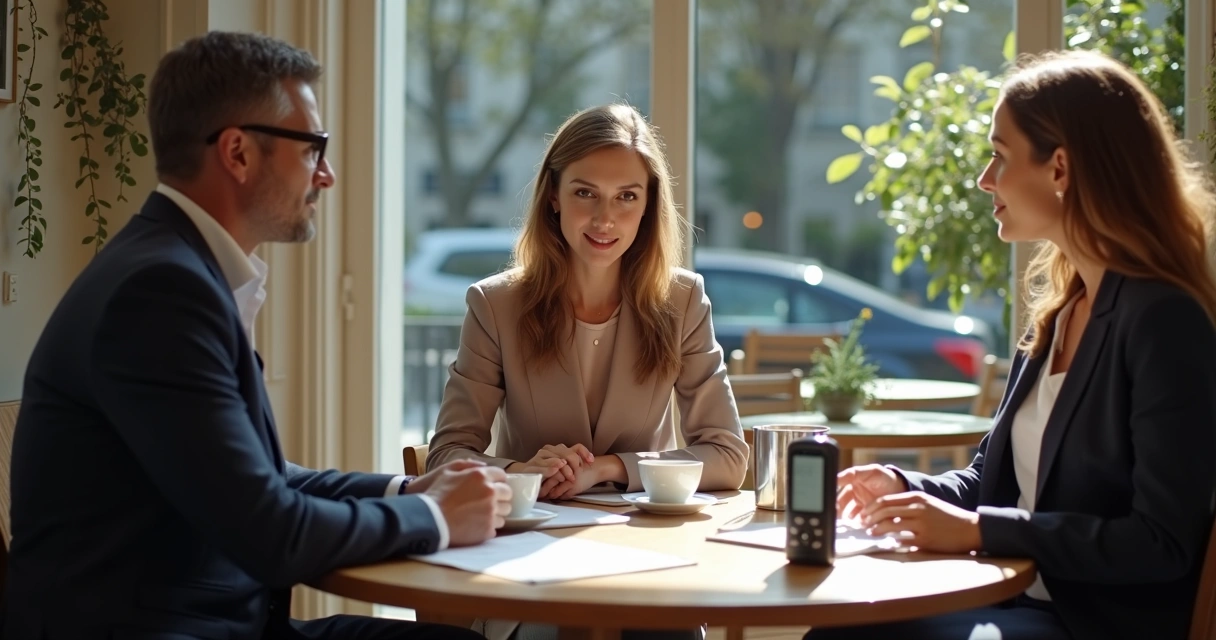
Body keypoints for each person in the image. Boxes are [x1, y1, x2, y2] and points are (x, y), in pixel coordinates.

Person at [3, 31, 510, 640]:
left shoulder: (171, 270)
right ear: (238, 153)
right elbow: (270, 532)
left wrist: (407, 486)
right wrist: (435, 515)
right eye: (311, 149)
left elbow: (258, 480)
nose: (326, 176)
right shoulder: (160, 293)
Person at [805, 49, 1216, 640]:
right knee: (840, 628)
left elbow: (1161, 542)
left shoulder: (1163, 322)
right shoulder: (1058, 314)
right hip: (1017, 603)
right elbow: (994, 485)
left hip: (1089, 623)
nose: (984, 180)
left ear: (1060, 168)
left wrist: (979, 533)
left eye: (999, 156)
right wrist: (906, 487)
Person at [426, 103, 749, 639]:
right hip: (531, 575)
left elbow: (728, 455)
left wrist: (608, 468)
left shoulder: (683, 298)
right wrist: (524, 472)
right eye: (585, 193)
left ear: (648, 207)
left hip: (653, 568)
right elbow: (447, 455)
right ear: (553, 197)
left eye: (627, 197)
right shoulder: (495, 304)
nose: (605, 219)